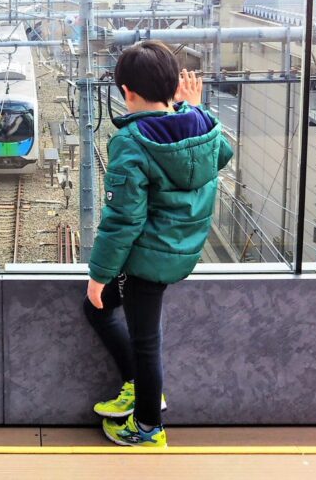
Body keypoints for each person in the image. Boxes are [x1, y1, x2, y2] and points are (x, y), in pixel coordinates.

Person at [83, 41, 233, 448]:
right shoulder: (200, 125)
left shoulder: (132, 143)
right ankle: (138, 386)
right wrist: (194, 107)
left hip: (146, 261)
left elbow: (122, 220)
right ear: (173, 86)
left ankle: (148, 427)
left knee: (144, 341)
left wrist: (99, 275)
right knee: (99, 313)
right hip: (179, 250)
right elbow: (223, 153)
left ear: (127, 91)